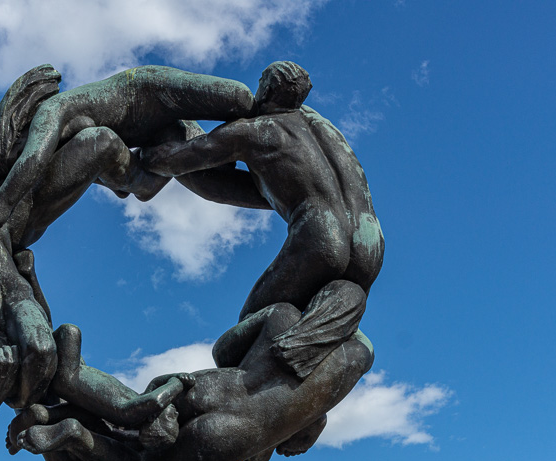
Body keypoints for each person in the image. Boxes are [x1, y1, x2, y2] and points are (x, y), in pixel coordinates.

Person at [0, 65, 188, 430]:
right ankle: (157, 168)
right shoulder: (7, 301)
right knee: (100, 142)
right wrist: (2, 381)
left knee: (88, 139)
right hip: (6, 219)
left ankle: (143, 177)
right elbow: (40, 349)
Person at [9, 280, 374, 461]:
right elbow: (303, 435)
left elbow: (223, 352)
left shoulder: (283, 317)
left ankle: (68, 397)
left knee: (136, 417)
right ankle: (73, 433)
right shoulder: (353, 364)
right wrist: (280, 434)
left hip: (218, 388)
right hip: (234, 434)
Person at [141, 61, 385, 323]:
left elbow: (175, 159)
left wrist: (145, 144)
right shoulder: (327, 128)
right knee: (326, 328)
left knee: (253, 322)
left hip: (322, 236)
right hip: (371, 242)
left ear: (266, 90)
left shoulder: (252, 132)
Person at [0, 65, 258, 231]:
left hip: (147, 92)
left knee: (237, 98)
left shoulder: (51, 112)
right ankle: (277, 195)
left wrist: (2, 204)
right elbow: (126, 185)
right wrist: (115, 180)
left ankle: (276, 110)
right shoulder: (78, 140)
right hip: (153, 140)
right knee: (193, 182)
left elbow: (34, 157)